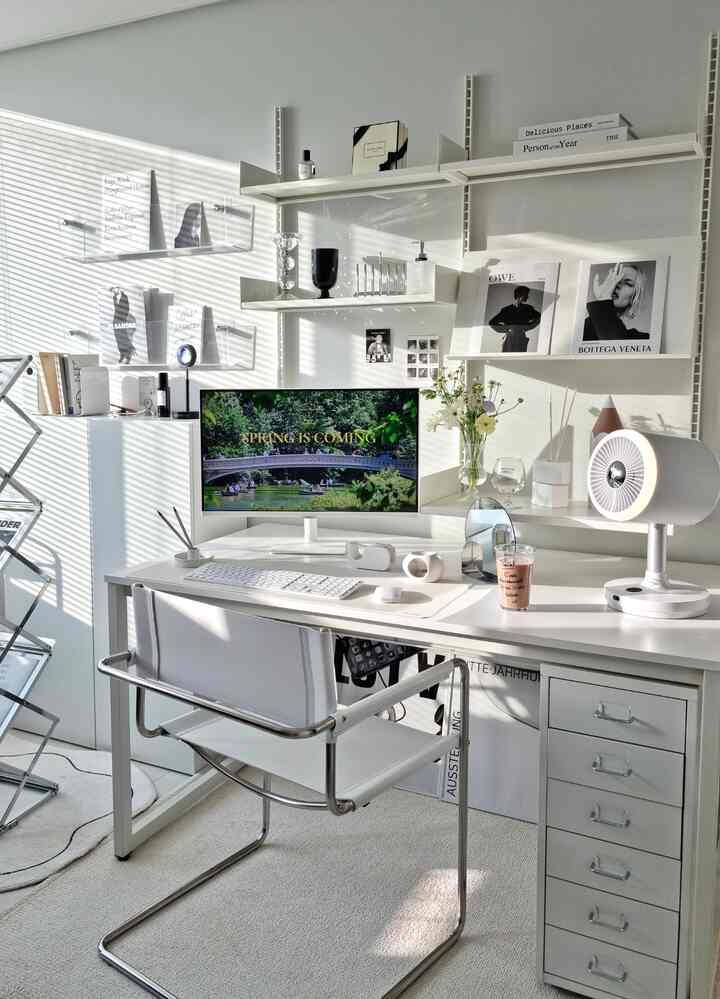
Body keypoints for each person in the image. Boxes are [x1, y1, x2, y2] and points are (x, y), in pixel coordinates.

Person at [582, 262, 650, 341]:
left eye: (628, 283)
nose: (616, 284)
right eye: (615, 279)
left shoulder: (643, 339)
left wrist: (603, 302)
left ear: (634, 297)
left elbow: (614, 345)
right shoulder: (583, 327)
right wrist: (601, 302)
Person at [488, 285, 541, 353]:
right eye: (526, 294)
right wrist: (507, 329)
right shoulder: (506, 310)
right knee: (506, 359)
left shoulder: (528, 309)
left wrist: (528, 326)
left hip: (521, 338)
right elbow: (492, 323)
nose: (528, 297)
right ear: (520, 295)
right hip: (509, 339)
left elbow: (540, 317)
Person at [111, 288, 137, 364]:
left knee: (124, 339)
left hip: (121, 322)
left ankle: (128, 355)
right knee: (119, 340)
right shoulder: (116, 300)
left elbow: (126, 308)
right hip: (116, 322)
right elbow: (116, 306)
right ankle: (123, 354)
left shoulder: (125, 300)